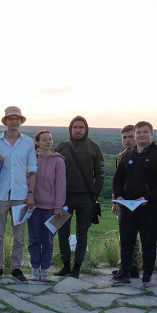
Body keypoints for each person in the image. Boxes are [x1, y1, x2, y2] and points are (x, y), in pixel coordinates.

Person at [112, 121, 157, 287]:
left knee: (148, 244)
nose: (141, 135)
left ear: (152, 134)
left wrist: (148, 197)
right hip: (128, 206)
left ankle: (147, 278)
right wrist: (119, 196)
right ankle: (124, 275)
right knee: (126, 244)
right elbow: (117, 179)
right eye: (138, 132)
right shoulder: (127, 155)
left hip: (150, 206)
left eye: (145, 132)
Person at [0, 106, 37, 284]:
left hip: (21, 195)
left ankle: (16, 269)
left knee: (19, 236)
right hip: (0, 194)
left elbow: (33, 169)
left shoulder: (28, 142)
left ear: (21, 121)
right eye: (11, 118)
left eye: (17, 119)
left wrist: (31, 193)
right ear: (5, 121)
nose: (14, 121)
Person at [54, 115, 105, 278]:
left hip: (86, 199)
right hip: (64, 198)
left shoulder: (94, 147)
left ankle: (77, 268)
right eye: (75, 127)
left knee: (82, 234)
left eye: (81, 127)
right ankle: (65, 266)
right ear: (70, 129)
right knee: (62, 233)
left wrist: (94, 195)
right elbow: (53, 171)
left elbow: (100, 174)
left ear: (86, 129)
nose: (78, 130)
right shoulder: (61, 147)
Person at [27, 130, 65, 282]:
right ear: (37, 142)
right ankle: (35, 269)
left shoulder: (58, 161)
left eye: (50, 139)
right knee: (34, 239)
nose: (48, 142)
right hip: (34, 206)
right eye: (44, 139)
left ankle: (45, 270)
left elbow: (61, 185)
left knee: (48, 240)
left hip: (51, 208)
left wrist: (58, 207)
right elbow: (27, 180)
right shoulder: (33, 159)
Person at [111, 125, 142, 279]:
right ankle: (125, 266)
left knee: (135, 236)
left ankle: (134, 267)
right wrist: (115, 202)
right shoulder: (121, 156)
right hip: (123, 200)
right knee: (124, 236)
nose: (127, 140)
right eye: (124, 137)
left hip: (140, 200)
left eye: (130, 136)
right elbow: (118, 180)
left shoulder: (144, 153)